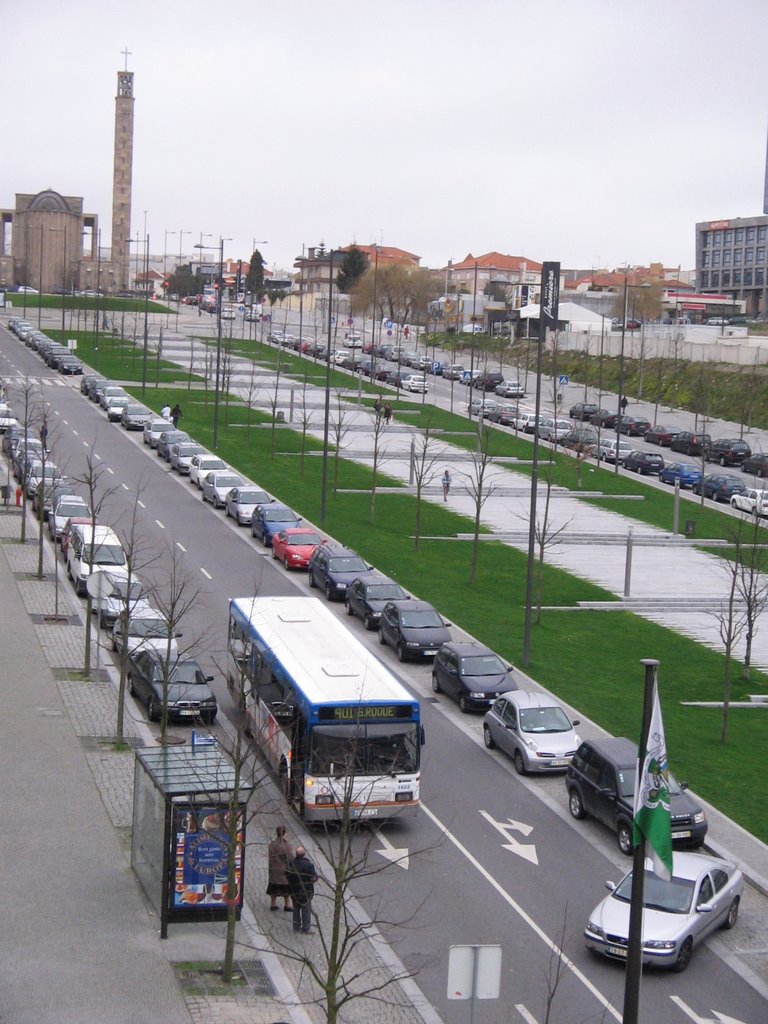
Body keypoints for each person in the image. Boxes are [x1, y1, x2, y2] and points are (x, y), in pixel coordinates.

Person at [286, 845, 318, 934]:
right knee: (306, 910)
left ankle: (296, 926)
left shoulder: (291, 864)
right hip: (306, 891)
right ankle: (305, 928)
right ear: (304, 854)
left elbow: (287, 875)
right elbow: (314, 877)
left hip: (294, 890)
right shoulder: (309, 865)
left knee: (296, 909)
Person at [266, 825, 293, 913]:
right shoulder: (286, 845)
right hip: (283, 870)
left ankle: (273, 904)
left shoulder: (272, 844)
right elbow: (290, 858)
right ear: (284, 834)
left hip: (273, 870)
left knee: (273, 886)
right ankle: (287, 905)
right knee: (286, 889)